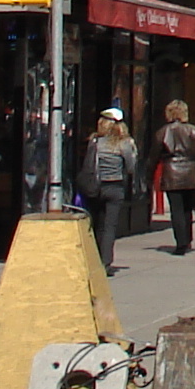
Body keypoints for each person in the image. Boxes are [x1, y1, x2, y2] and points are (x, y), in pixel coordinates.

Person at [85, 109, 139, 274]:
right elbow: (131, 167)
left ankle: (93, 259)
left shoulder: (94, 142)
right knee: (110, 226)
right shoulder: (123, 144)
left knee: (96, 225)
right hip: (115, 187)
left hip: (96, 186)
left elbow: (88, 165)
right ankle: (106, 263)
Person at [154, 100, 195, 254]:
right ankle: (187, 239)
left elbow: (154, 156)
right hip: (191, 173)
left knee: (176, 210)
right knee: (187, 209)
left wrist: (148, 174)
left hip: (172, 173)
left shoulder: (162, 132)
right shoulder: (193, 131)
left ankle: (181, 243)